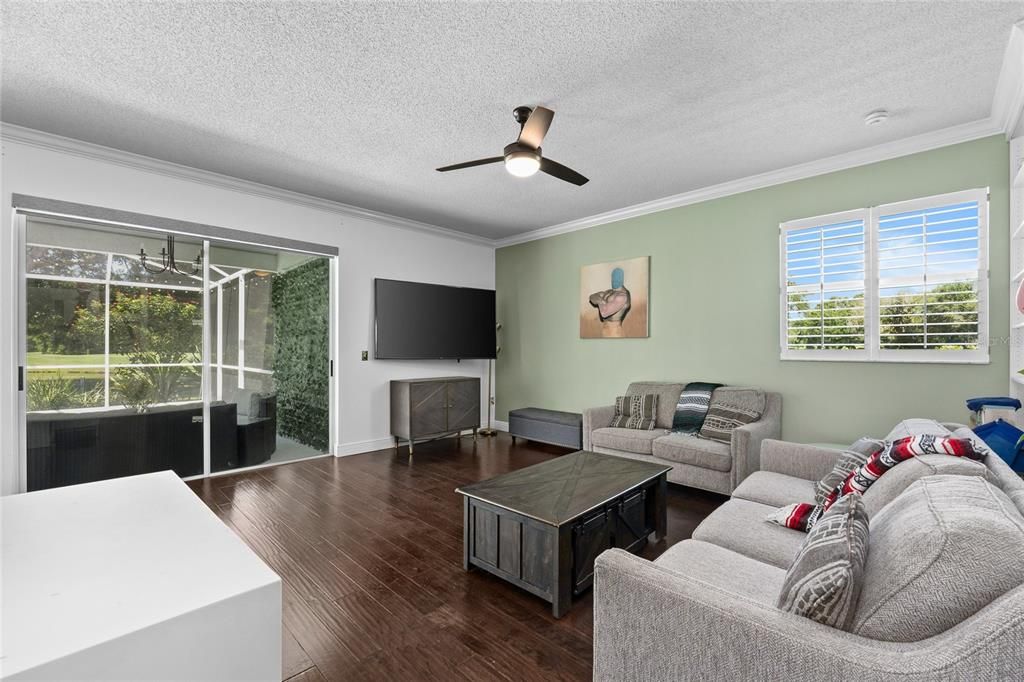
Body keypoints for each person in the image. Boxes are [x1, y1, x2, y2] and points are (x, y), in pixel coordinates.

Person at [588, 267, 631, 338]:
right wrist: (601, 301)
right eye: (613, 277)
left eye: (617, 277)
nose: (614, 280)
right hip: (604, 330)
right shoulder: (609, 292)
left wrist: (600, 300)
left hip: (615, 332)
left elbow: (604, 313)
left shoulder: (623, 295)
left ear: (622, 279)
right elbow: (592, 297)